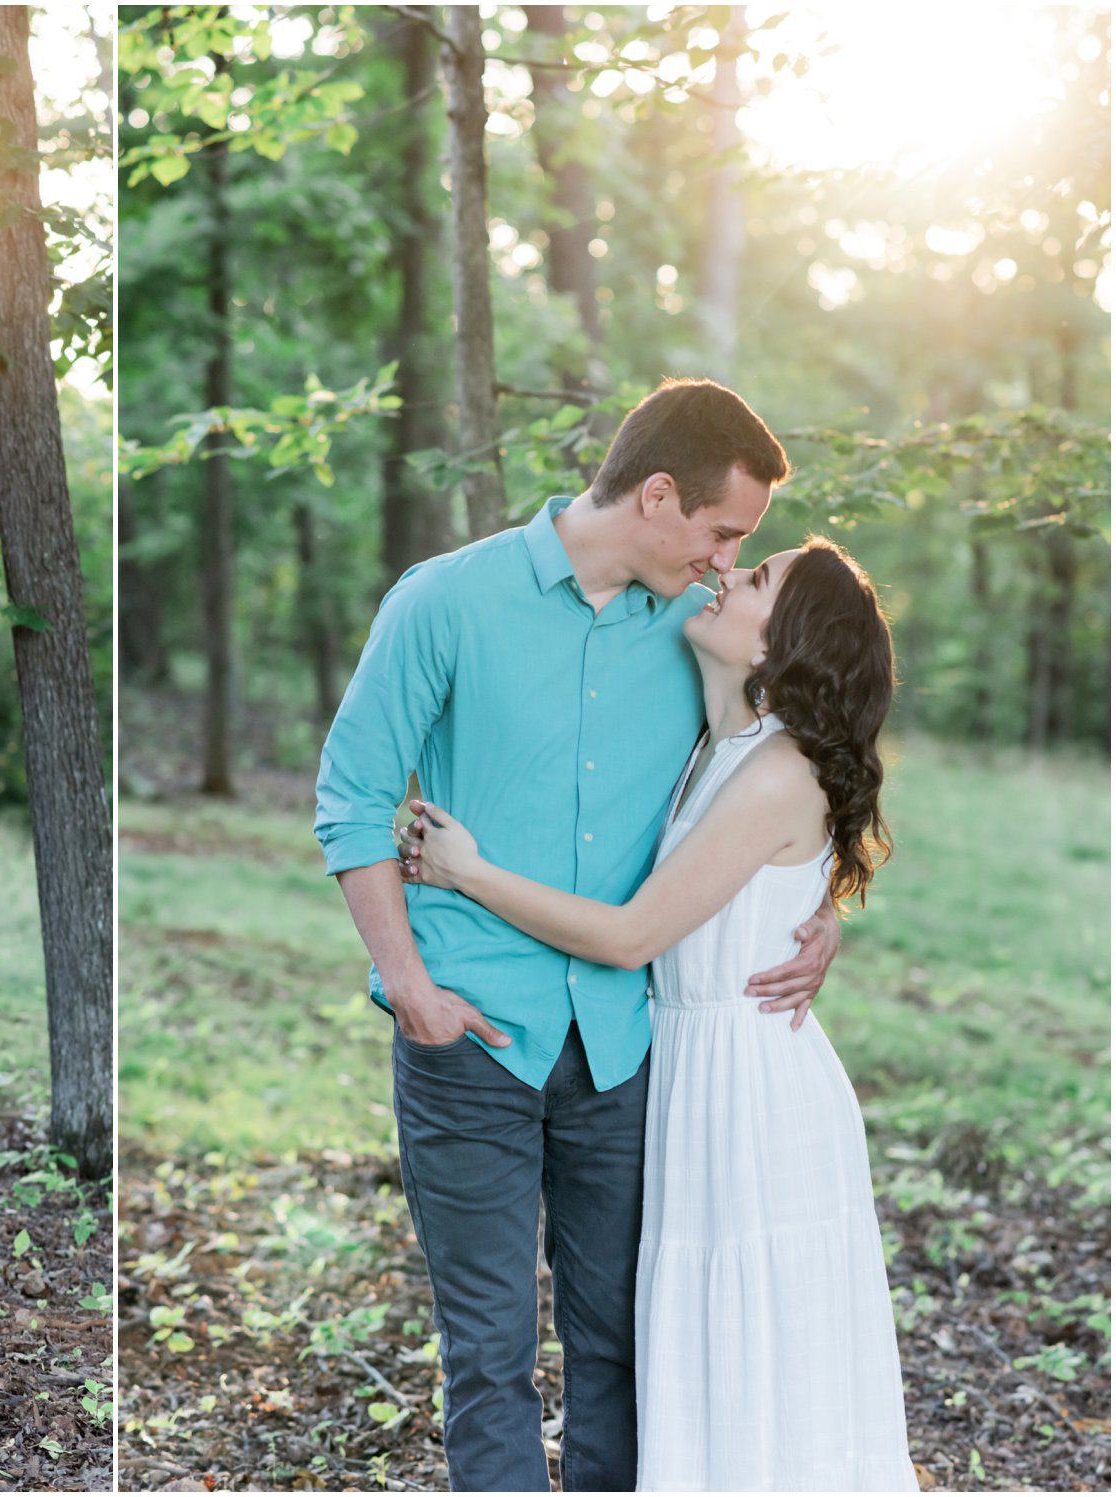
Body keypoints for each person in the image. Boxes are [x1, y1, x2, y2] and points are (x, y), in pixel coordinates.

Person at [312, 378, 839, 1491]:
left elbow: (790, 765)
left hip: (623, 1042)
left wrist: (820, 908)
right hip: (470, 1032)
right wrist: (406, 983)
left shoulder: (696, 636)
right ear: (656, 494)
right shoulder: (445, 600)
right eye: (719, 531)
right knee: (488, 1355)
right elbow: (352, 797)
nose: (722, 558)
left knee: (618, 1347)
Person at [401, 537, 916, 1491]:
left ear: (778, 647)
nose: (726, 572)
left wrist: (466, 871)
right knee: (690, 1342)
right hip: (681, 1068)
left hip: (752, 1095)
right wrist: (818, 915)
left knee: (755, 1348)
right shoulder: (712, 745)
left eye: (756, 580)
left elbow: (634, 933)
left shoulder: (775, 773)